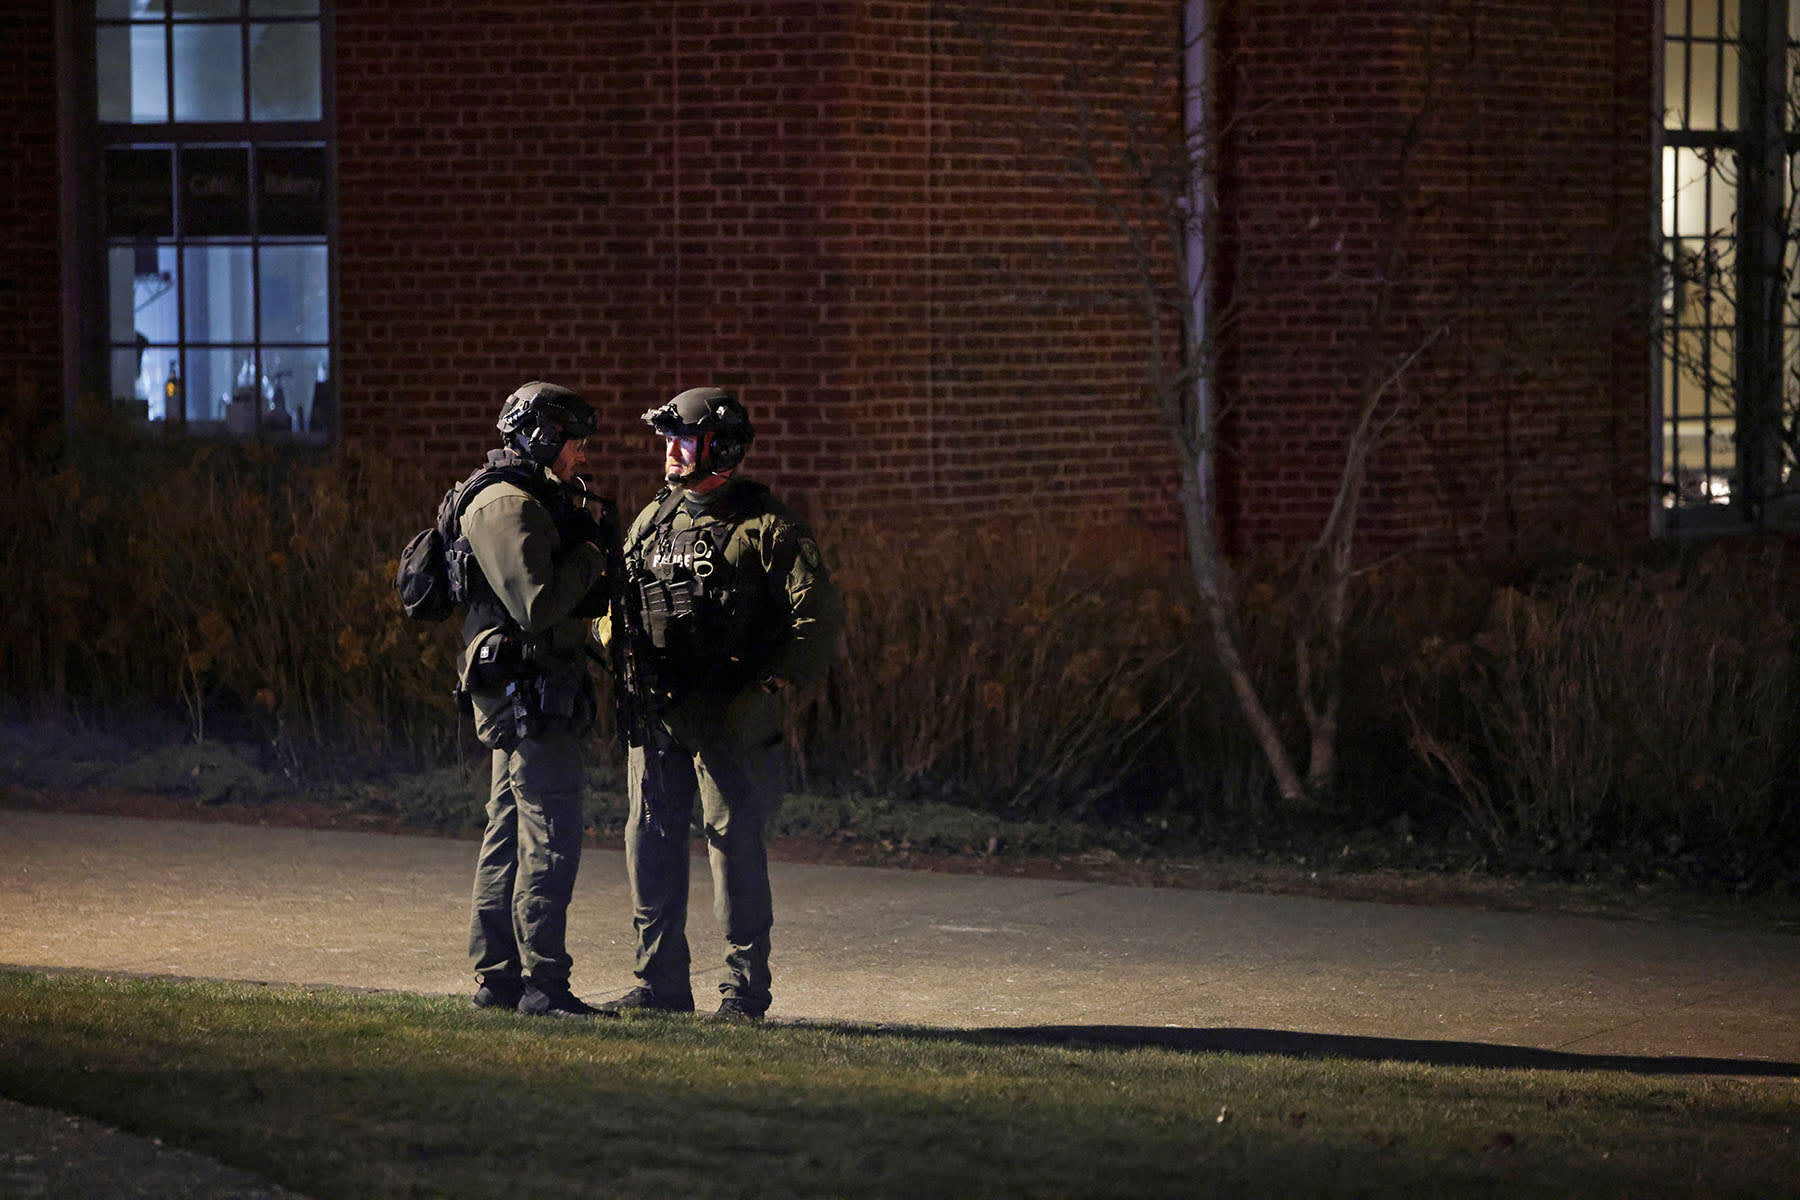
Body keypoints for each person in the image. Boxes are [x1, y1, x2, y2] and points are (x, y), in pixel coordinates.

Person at [599, 387, 842, 1020]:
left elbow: (816, 617)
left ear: (722, 449)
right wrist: (613, 638)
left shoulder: (766, 526)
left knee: (732, 847)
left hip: (730, 717)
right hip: (657, 713)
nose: (672, 452)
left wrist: (773, 685)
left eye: (685, 439)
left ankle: (743, 989)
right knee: (648, 840)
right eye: (669, 440)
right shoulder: (652, 520)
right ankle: (659, 984)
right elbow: (612, 602)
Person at [456, 380, 613, 1018]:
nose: (582, 454)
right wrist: (593, 555)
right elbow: (537, 605)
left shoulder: (529, 496)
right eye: (574, 441)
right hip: (527, 693)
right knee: (551, 833)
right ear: (541, 436)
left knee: (508, 829)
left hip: (532, 689)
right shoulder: (505, 504)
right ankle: (544, 984)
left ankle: (498, 980)